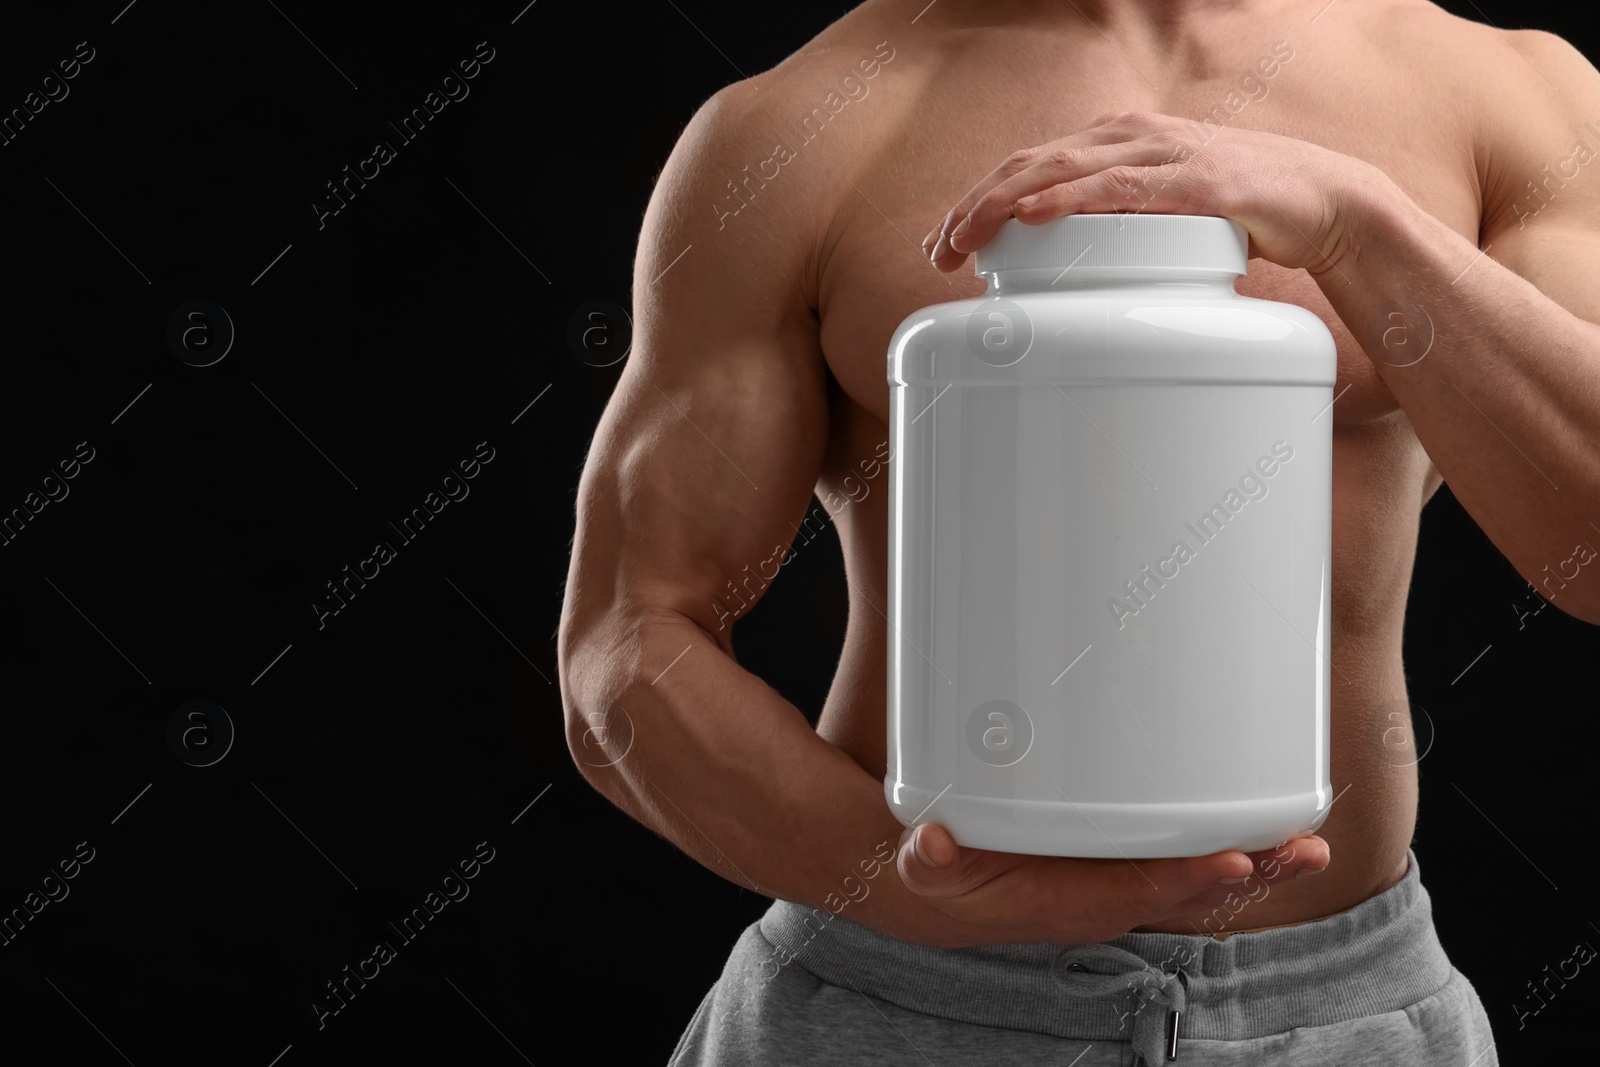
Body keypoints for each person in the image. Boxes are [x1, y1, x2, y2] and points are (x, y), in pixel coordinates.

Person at [556, 0, 1600, 1061]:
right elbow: (628, 641)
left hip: (1340, 1009)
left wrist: (1355, 227)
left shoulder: (1501, 98)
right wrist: (914, 891)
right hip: (897, 999)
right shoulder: (801, 127)